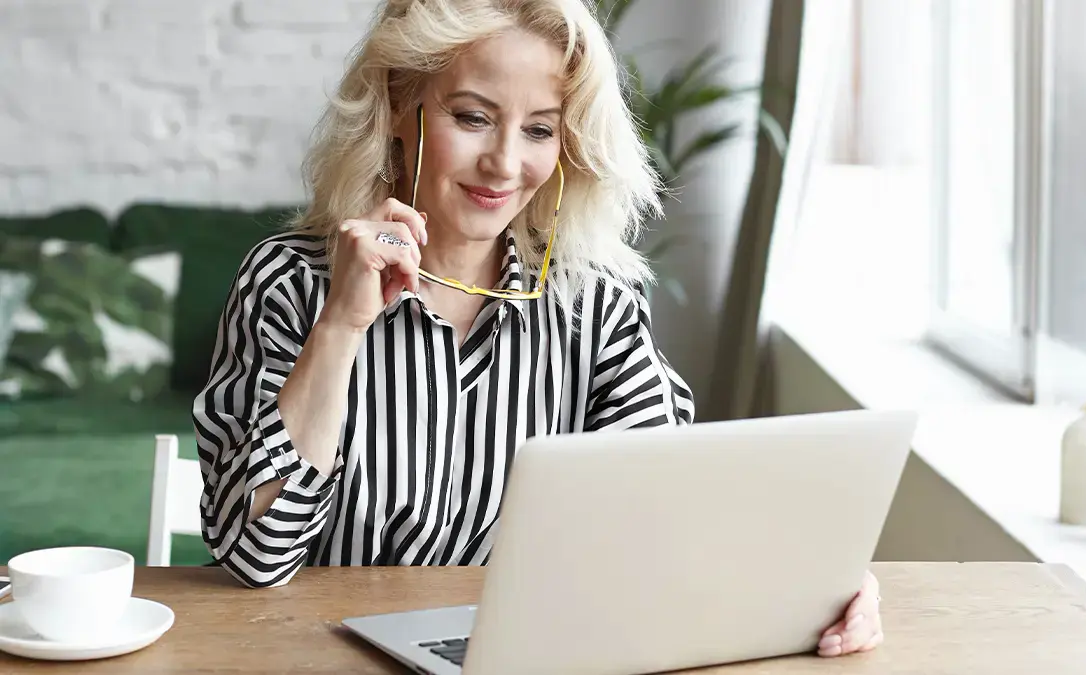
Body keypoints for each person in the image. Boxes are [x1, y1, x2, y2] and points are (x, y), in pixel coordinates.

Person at [192, 0, 881, 658]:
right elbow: (257, 556)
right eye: (472, 117)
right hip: (315, 654)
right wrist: (341, 324)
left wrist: (814, 586)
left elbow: (668, 520)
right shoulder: (287, 282)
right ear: (402, 107)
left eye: (540, 129)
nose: (505, 162)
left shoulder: (594, 302)